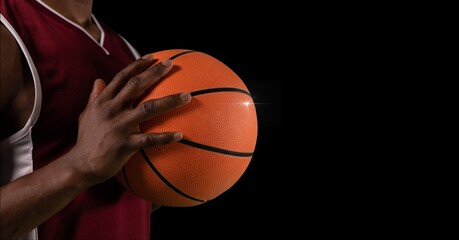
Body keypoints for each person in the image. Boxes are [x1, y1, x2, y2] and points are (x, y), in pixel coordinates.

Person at [0, 0, 192, 239]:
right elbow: (89, 164)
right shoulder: (8, 31)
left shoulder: (128, 52)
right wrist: (80, 165)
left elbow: (120, 200)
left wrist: (182, 170)